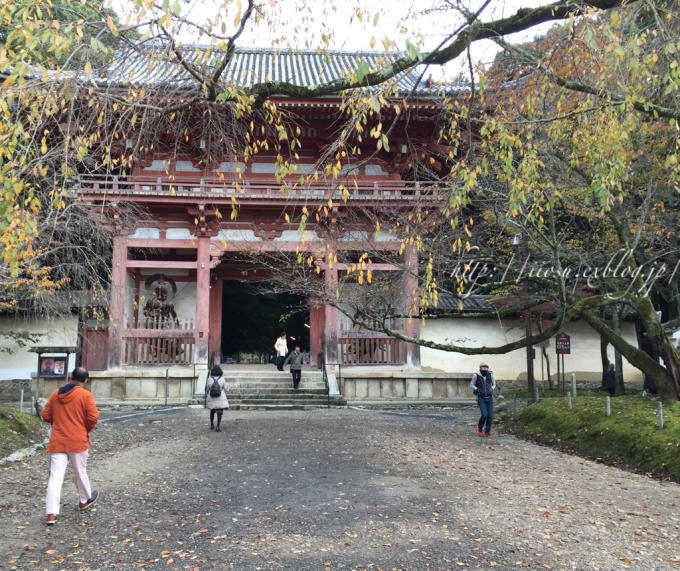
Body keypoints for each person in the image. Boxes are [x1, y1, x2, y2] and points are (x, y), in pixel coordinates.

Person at [42, 366, 100, 526]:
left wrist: (59, 422)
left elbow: (45, 415)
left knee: (55, 477)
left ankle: (51, 514)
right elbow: (93, 416)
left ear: (70, 377)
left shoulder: (56, 394)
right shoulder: (86, 395)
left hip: (58, 441)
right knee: (80, 472)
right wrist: (86, 428)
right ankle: (84, 500)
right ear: (85, 381)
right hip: (77, 441)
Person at [470, 362, 496, 438]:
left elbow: (494, 384)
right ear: (480, 368)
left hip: (489, 397)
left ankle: (487, 432)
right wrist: (477, 389)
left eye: (486, 367)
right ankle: (480, 428)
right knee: (484, 415)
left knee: (490, 416)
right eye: (483, 367)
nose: (485, 369)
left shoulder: (490, 375)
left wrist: (491, 389)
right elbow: (471, 384)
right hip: (481, 398)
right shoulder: (476, 375)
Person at [205, 365, 229, 432]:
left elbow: (207, 388)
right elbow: (226, 388)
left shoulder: (209, 379)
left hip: (212, 397)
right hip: (220, 397)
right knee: (219, 412)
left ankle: (212, 424)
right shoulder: (222, 378)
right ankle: (218, 426)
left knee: (212, 411)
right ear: (220, 371)